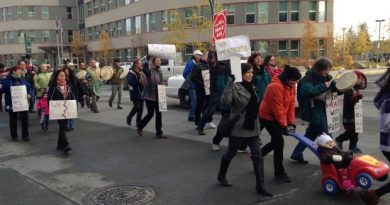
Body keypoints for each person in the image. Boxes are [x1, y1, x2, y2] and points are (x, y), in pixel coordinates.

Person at [217, 63, 272, 196]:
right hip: (239, 128)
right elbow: (225, 101)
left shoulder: (252, 86)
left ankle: (260, 185)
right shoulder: (235, 86)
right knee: (231, 154)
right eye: (247, 72)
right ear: (241, 73)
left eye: (252, 72)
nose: (250, 75)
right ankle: (221, 175)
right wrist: (230, 82)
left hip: (252, 127)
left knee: (258, 156)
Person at [259, 65, 301, 183]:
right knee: (279, 143)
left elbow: (291, 105)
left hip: (278, 115)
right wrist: (284, 125)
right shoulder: (275, 87)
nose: (295, 83)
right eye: (294, 81)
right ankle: (279, 173)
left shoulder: (291, 85)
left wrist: (291, 123)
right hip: (267, 116)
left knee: (276, 142)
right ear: (287, 78)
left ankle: (257, 156)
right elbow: (278, 109)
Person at [290, 58, 336, 164]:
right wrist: (324, 86)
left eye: (328, 69)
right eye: (325, 69)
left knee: (311, 135)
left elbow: (334, 90)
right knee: (327, 135)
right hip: (314, 110)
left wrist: (336, 86)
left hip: (322, 109)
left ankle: (296, 153)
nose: (327, 72)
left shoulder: (327, 77)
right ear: (319, 69)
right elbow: (307, 91)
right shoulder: (309, 78)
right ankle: (334, 158)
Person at [361, 78, 390, 205]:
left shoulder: (385, 96)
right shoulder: (389, 100)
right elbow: (388, 124)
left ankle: (373, 194)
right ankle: (373, 195)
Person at [197, 51, 230, 135]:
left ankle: (225, 130)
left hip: (224, 90)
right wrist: (211, 49)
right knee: (210, 110)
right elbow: (210, 58)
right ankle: (200, 126)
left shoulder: (226, 64)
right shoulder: (215, 64)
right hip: (216, 90)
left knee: (225, 111)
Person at [335, 70, 367, 153]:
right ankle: (339, 139)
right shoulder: (349, 89)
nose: (361, 81)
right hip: (350, 114)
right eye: (360, 79)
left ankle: (352, 147)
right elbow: (350, 100)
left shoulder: (355, 89)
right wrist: (357, 98)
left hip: (356, 113)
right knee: (351, 131)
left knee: (356, 131)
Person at [0, 65, 33, 141]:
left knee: (25, 119)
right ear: (14, 71)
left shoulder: (23, 80)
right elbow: (1, 90)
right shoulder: (6, 81)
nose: (21, 72)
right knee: (13, 120)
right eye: (19, 70)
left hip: (23, 104)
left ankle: (25, 136)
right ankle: (14, 136)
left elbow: (30, 88)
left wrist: (29, 94)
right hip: (11, 104)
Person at [137, 57, 167, 139]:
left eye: (160, 60)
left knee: (159, 114)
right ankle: (140, 126)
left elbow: (160, 82)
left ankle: (159, 132)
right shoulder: (149, 71)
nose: (159, 61)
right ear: (153, 62)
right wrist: (147, 59)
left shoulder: (160, 71)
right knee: (150, 114)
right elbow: (144, 67)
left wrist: (162, 91)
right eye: (157, 60)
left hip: (158, 95)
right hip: (149, 96)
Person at [48, 69, 76, 154]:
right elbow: (50, 98)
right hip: (58, 109)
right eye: (60, 75)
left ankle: (59, 145)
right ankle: (65, 145)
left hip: (67, 109)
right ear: (56, 76)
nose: (62, 77)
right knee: (63, 126)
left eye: (63, 75)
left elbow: (72, 96)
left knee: (62, 127)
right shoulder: (53, 86)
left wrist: (73, 105)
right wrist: (51, 109)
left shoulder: (68, 86)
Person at [190, 51, 213, 126]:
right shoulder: (197, 66)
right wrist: (201, 83)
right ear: (203, 57)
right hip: (200, 89)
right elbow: (192, 77)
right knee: (199, 105)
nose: (209, 58)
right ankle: (198, 122)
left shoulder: (209, 65)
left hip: (208, 88)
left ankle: (209, 121)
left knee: (209, 105)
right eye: (208, 57)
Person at [183, 50, 203, 121]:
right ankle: (192, 115)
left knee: (196, 101)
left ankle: (193, 115)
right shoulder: (190, 63)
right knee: (194, 100)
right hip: (192, 85)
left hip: (197, 85)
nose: (200, 56)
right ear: (195, 56)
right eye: (199, 55)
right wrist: (191, 81)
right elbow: (185, 74)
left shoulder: (198, 63)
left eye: (201, 55)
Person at [126, 58, 145, 126]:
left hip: (142, 91)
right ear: (136, 64)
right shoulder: (131, 72)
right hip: (135, 92)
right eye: (139, 63)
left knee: (141, 109)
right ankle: (129, 117)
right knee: (137, 107)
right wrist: (138, 81)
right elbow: (130, 82)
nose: (141, 64)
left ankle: (138, 122)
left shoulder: (141, 72)